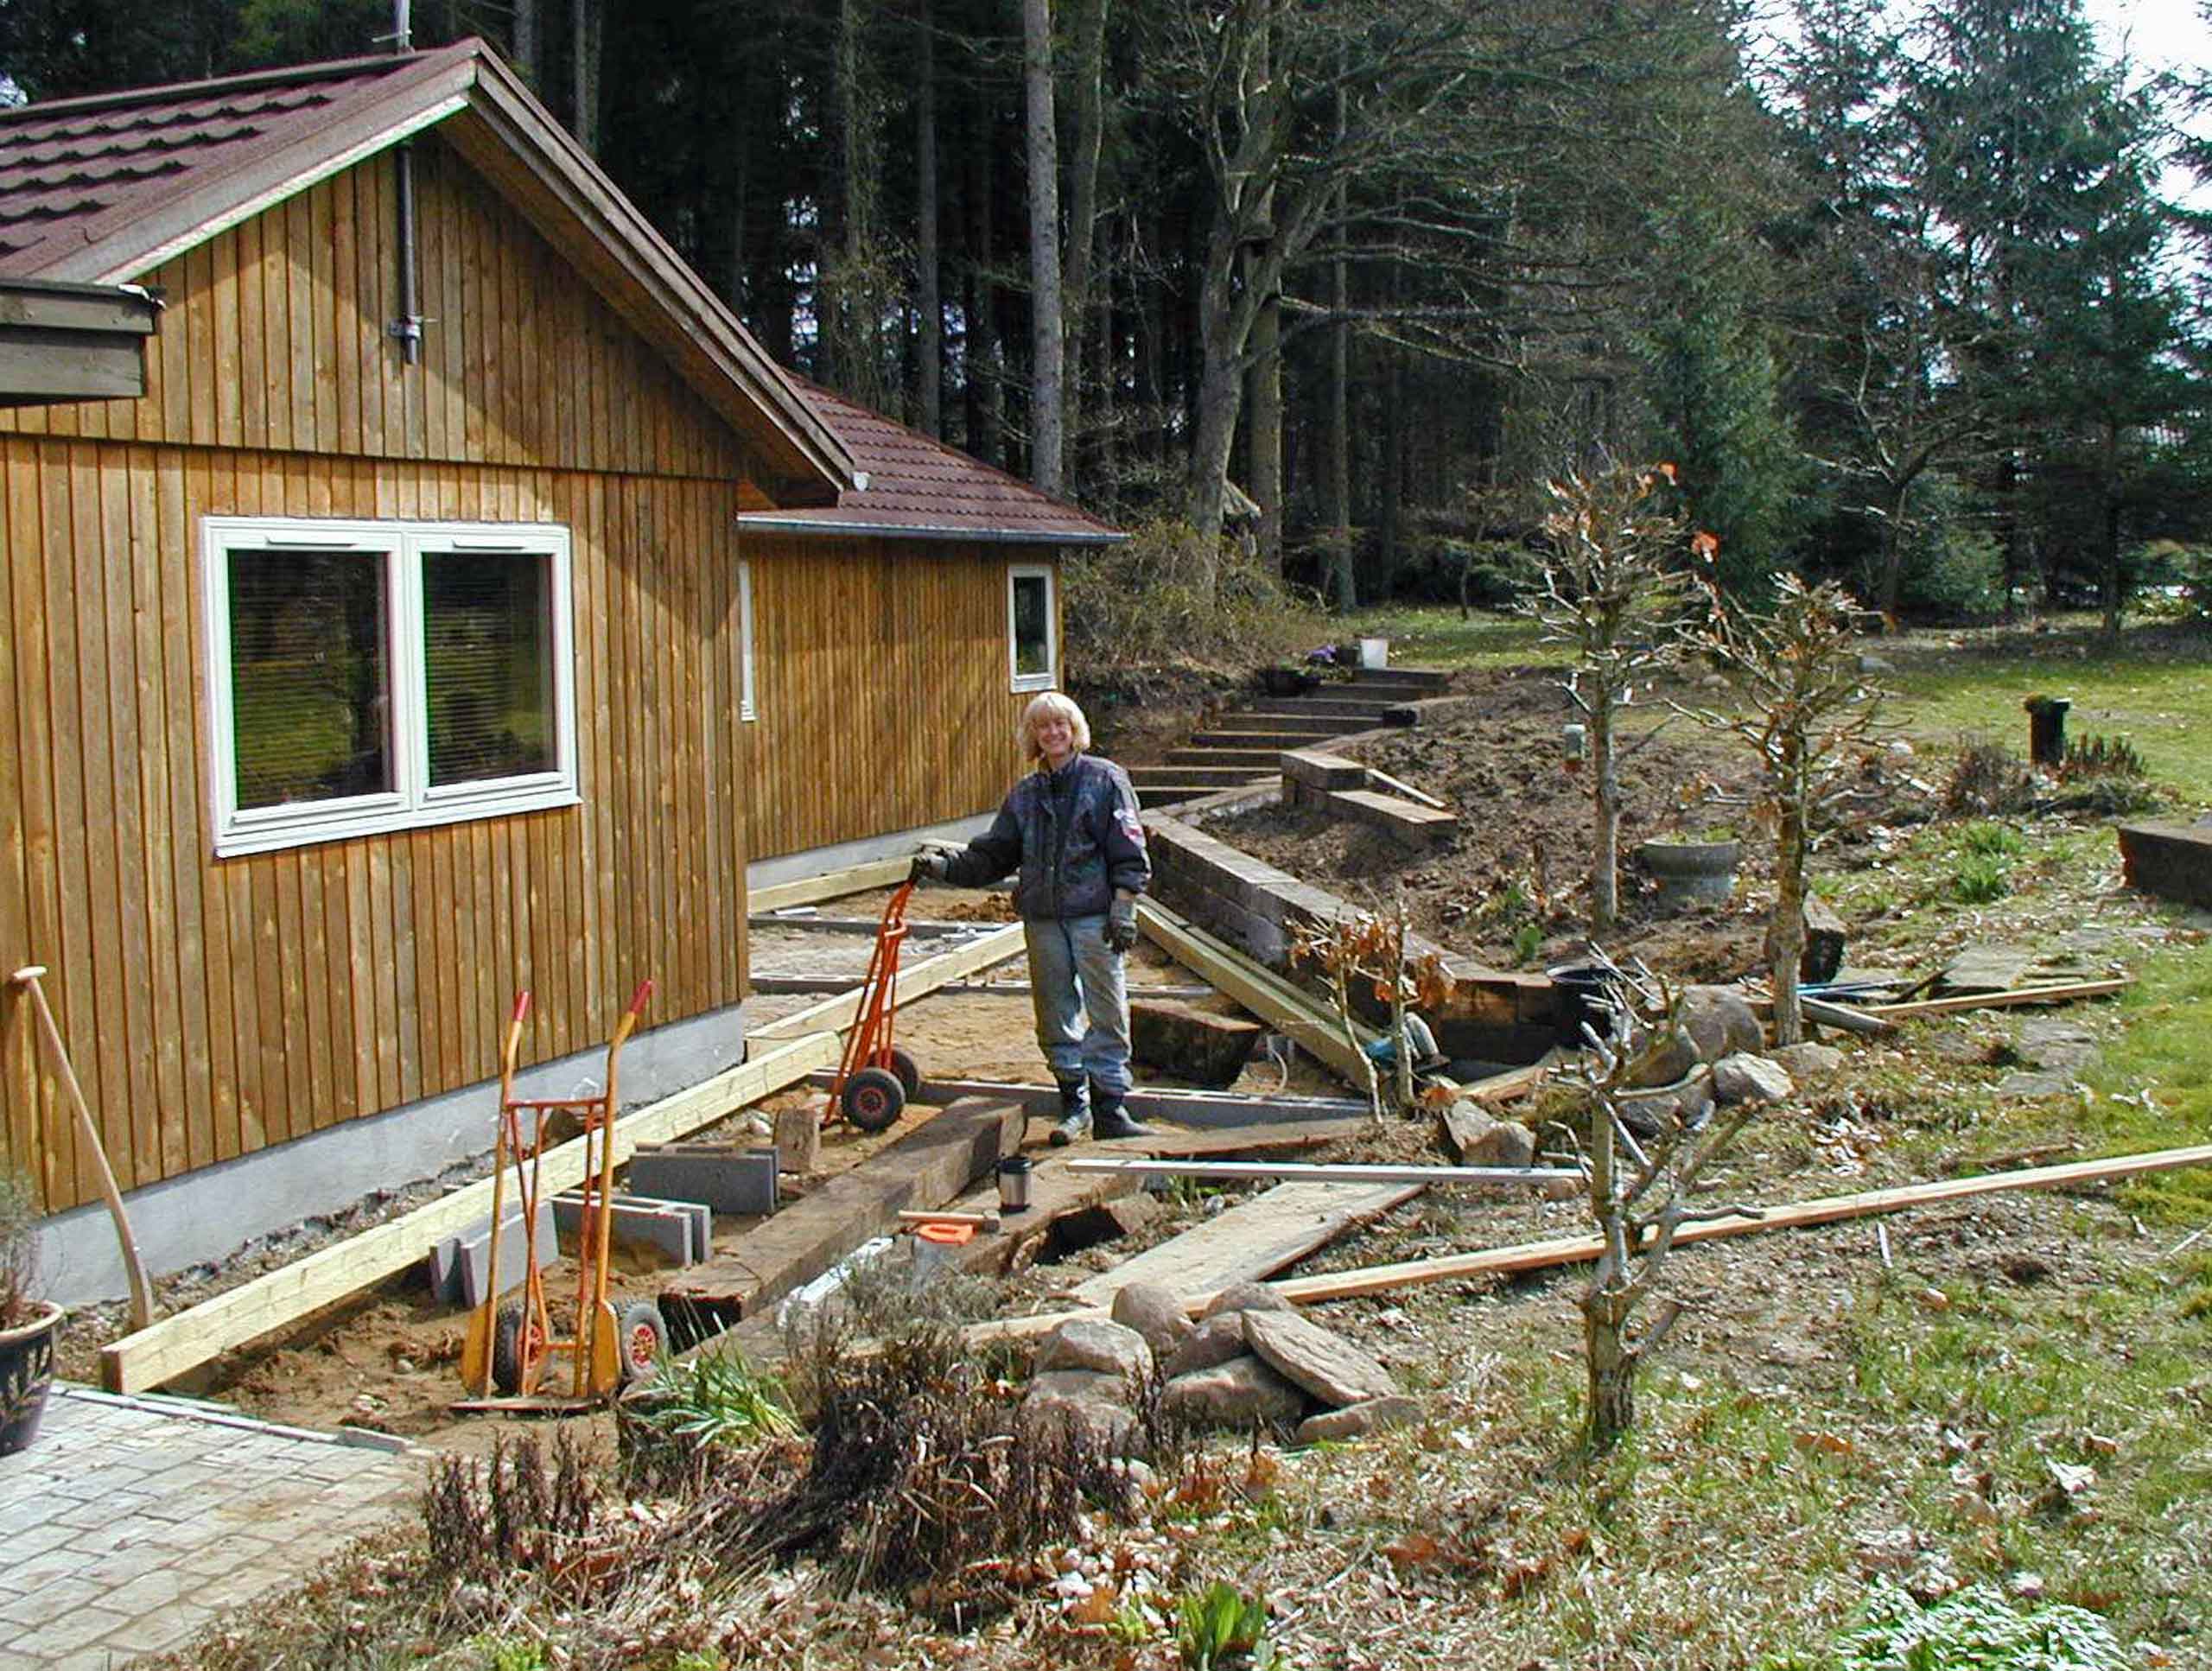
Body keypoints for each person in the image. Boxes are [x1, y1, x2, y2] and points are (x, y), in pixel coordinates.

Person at [911, 692, 1152, 1143]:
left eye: (1061, 724)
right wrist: (945, 867)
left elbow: (1128, 847)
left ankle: (1111, 1109)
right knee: (1054, 1011)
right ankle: (1073, 1103)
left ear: (1074, 730)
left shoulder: (1105, 780)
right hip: (1043, 919)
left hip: (1093, 917)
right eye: (1043, 726)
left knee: (1107, 1010)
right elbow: (994, 855)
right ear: (1033, 735)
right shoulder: (1025, 794)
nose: (1053, 733)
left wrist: (1124, 907)